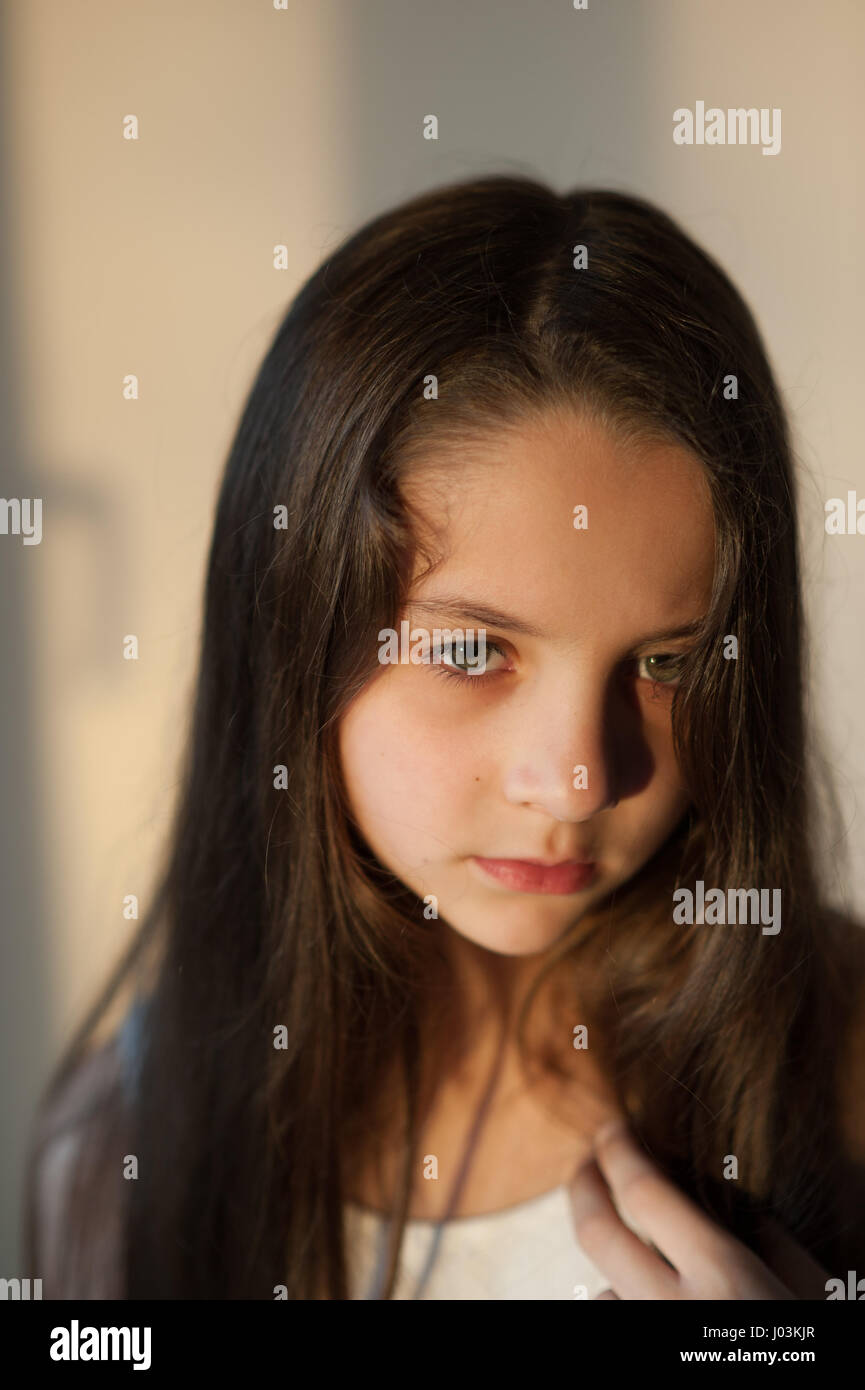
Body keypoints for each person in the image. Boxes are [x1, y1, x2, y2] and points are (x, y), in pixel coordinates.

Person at [23, 175, 865, 1300]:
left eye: (667, 663)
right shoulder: (123, 1152)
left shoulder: (844, 1067)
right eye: (473, 653)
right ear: (292, 632)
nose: (575, 780)